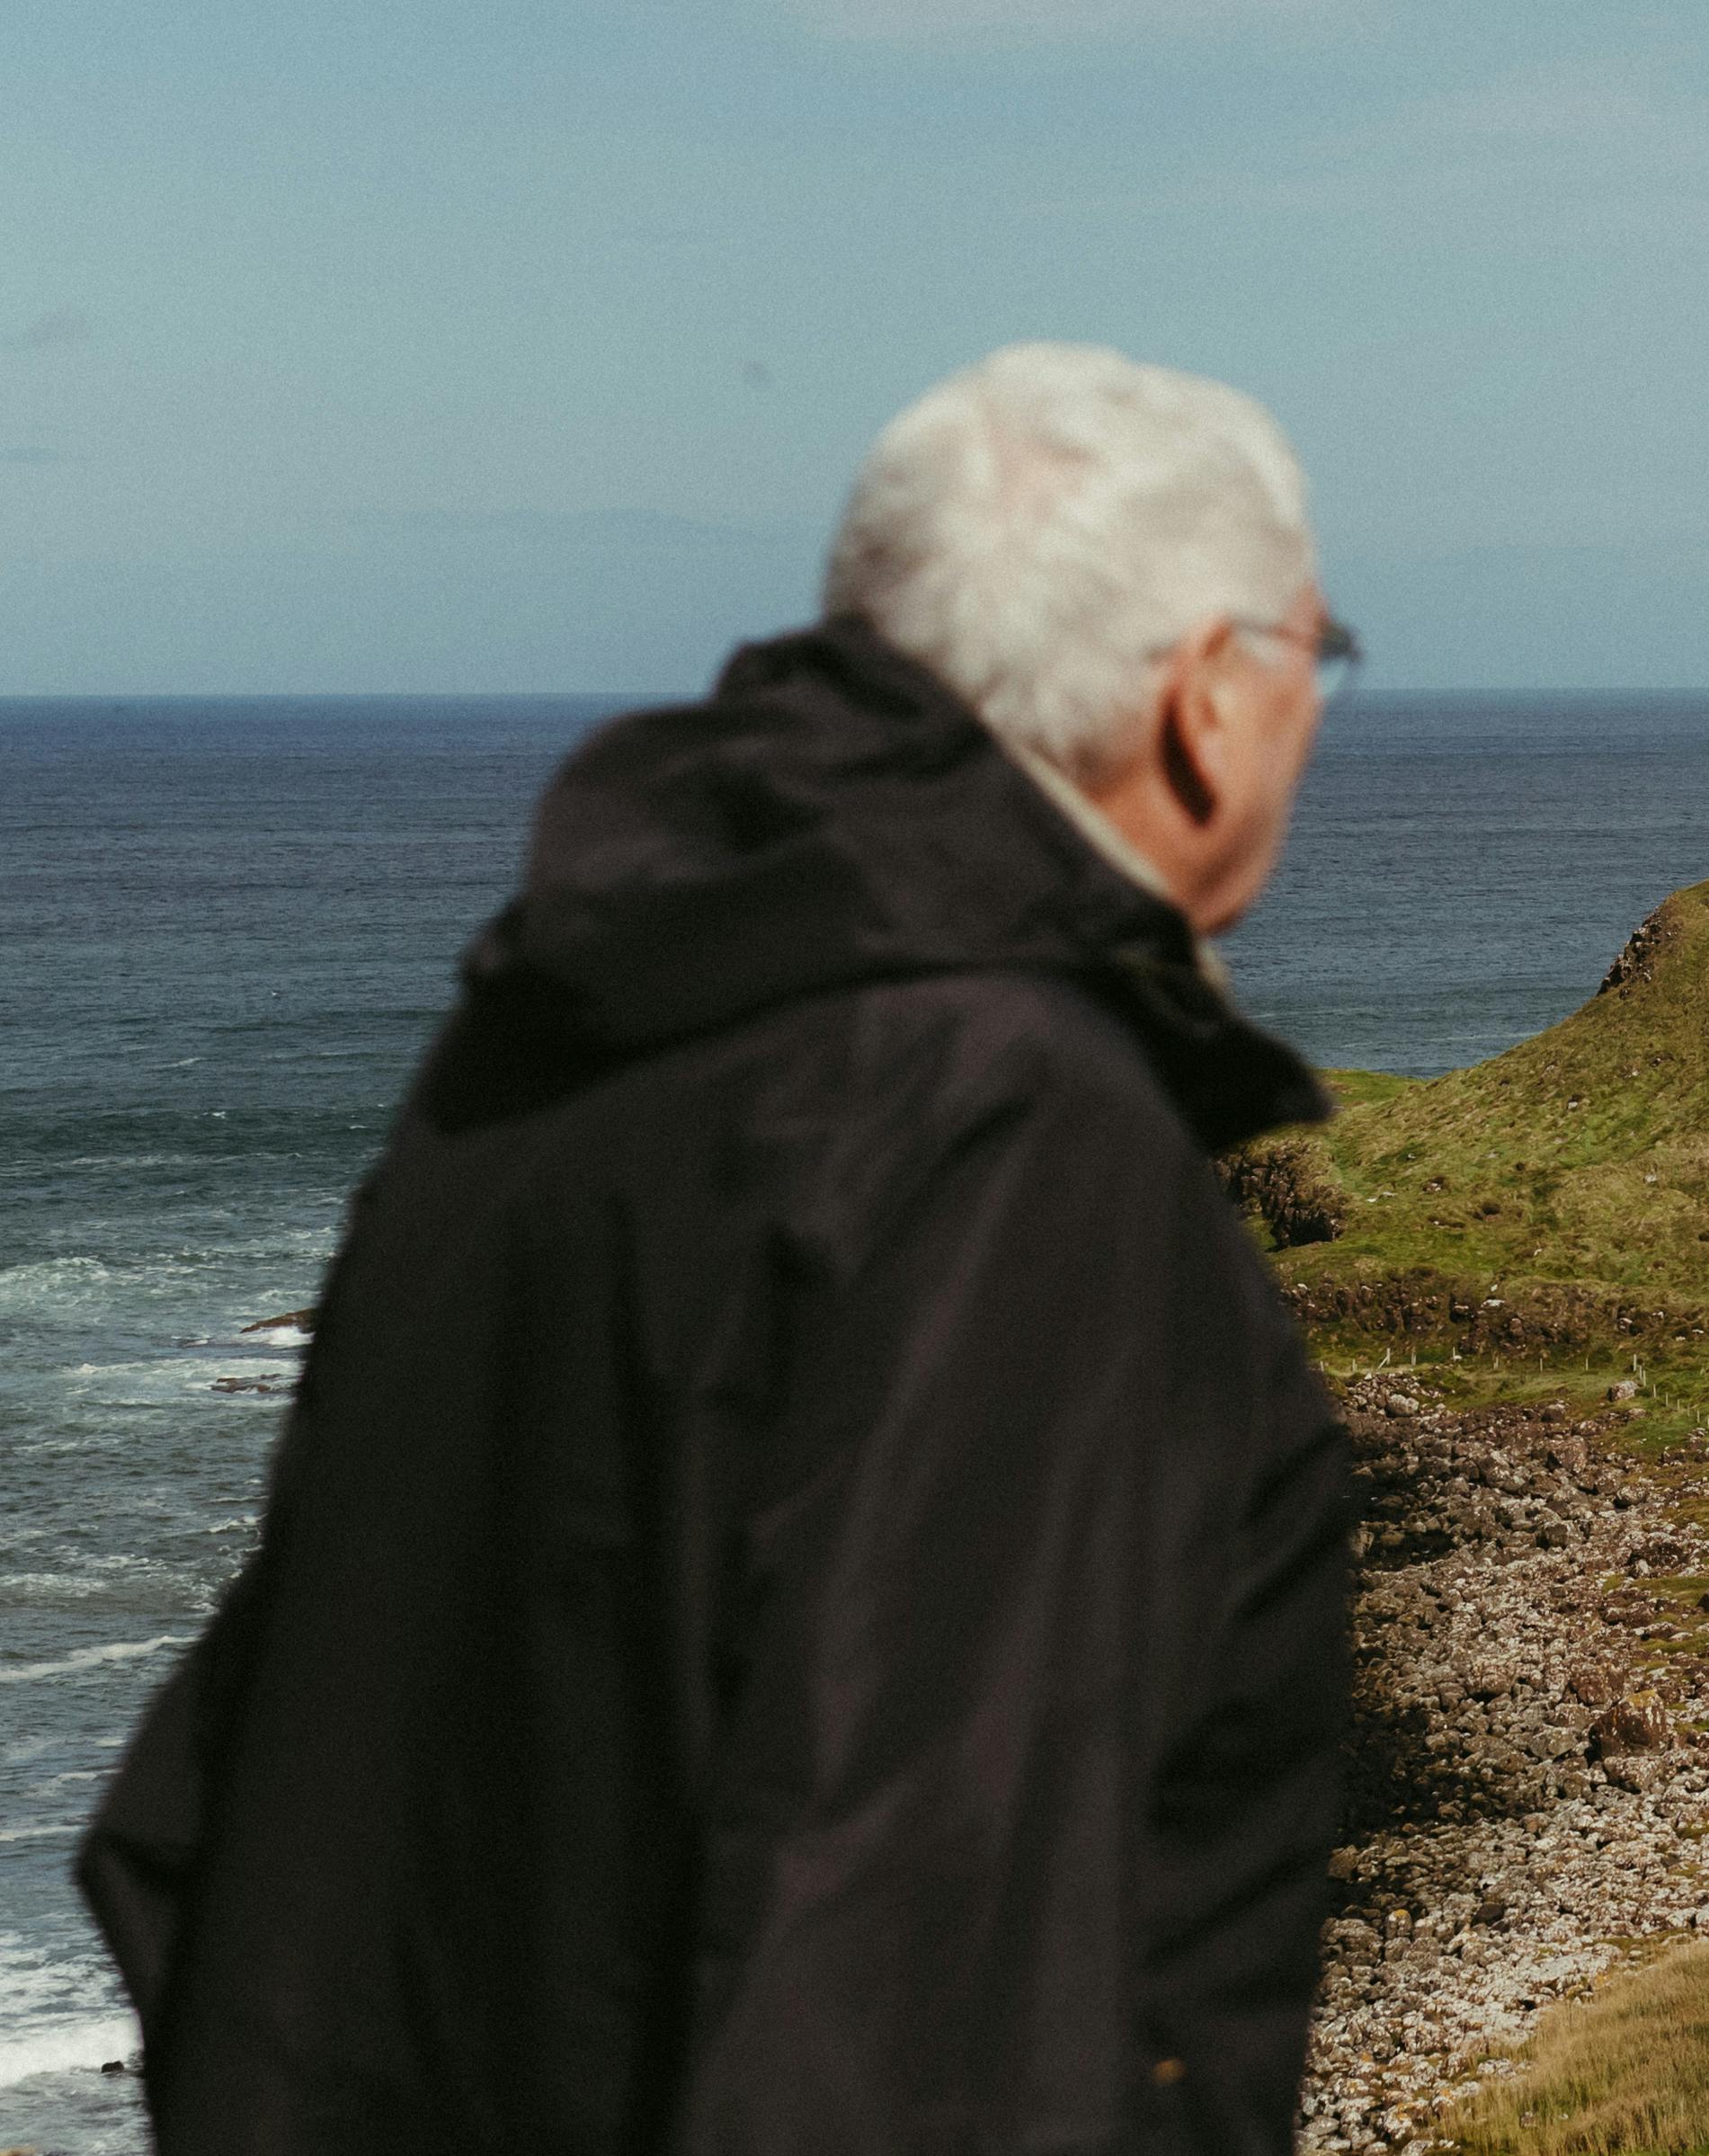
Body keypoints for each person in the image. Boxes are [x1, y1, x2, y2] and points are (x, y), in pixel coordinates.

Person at [77, 343, 1361, 2154]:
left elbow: (207, 1810)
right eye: (1321, 655)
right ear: (1207, 699)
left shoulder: (548, 1046)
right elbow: (906, 1991)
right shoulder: (1013, 1129)